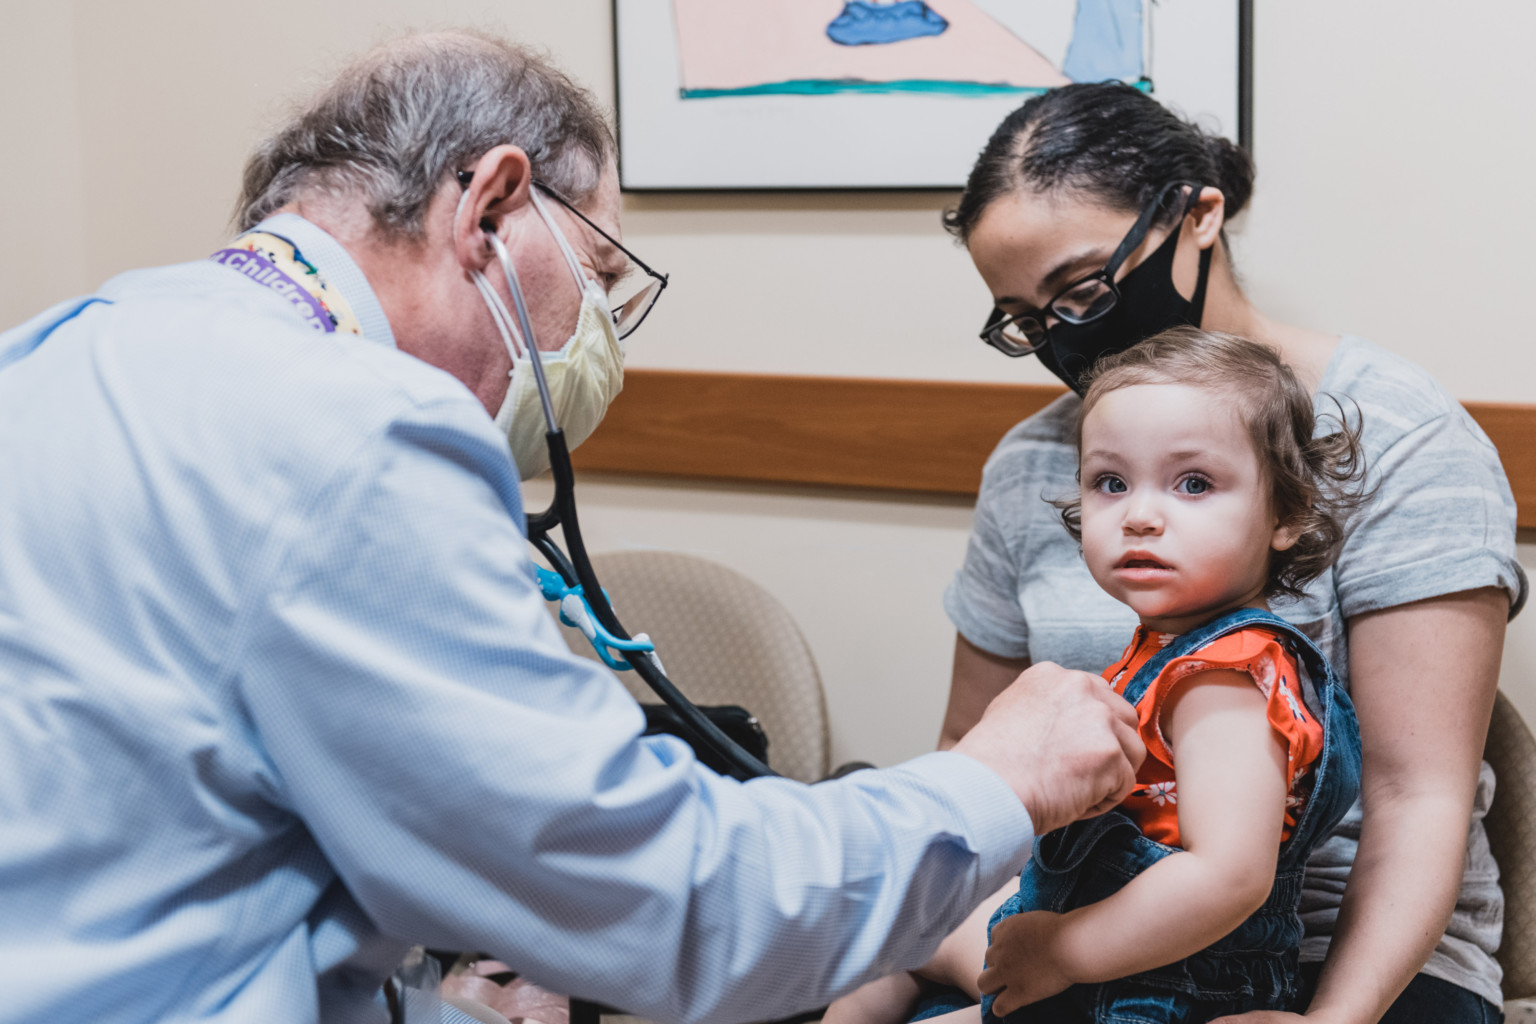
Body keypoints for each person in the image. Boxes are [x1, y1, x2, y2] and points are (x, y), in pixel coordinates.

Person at [0, 33, 1145, 1024]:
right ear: (492, 205)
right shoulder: (357, 427)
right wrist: (1001, 777)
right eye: (599, 272)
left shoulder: (71, 345)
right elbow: (683, 909)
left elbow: (180, 846)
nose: (598, 332)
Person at [933, 83, 1526, 1024]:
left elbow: (1417, 797)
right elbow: (971, 749)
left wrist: (1330, 1022)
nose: (1067, 337)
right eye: (1028, 320)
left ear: (1199, 214)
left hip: (1332, 945)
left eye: (1085, 288)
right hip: (1077, 924)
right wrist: (1010, 956)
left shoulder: (1397, 436)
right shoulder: (1034, 463)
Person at [827, 327, 1367, 1023]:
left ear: (1286, 514)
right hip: (1095, 950)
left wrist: (1062, 952)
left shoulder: (1224, 676)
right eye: (1110, 483)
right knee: (896, 930)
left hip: (1155, 987)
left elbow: (1228, 877)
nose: (1140, 516)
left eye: (1194, 483)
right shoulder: (1168, 650)